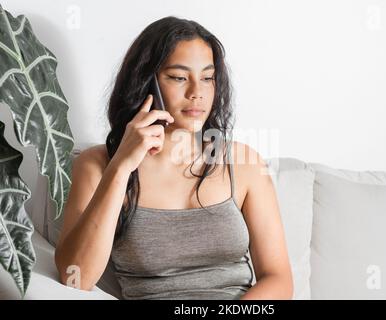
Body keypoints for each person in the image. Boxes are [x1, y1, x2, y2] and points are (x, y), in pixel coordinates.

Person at [55, 16, 293, 300]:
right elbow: (75, 278)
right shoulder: (97, 165)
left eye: (207, 78)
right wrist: (121, 167)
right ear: (146, 83)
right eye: (179, 78)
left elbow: (278, 279)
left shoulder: (243, 162)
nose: (197, 93)